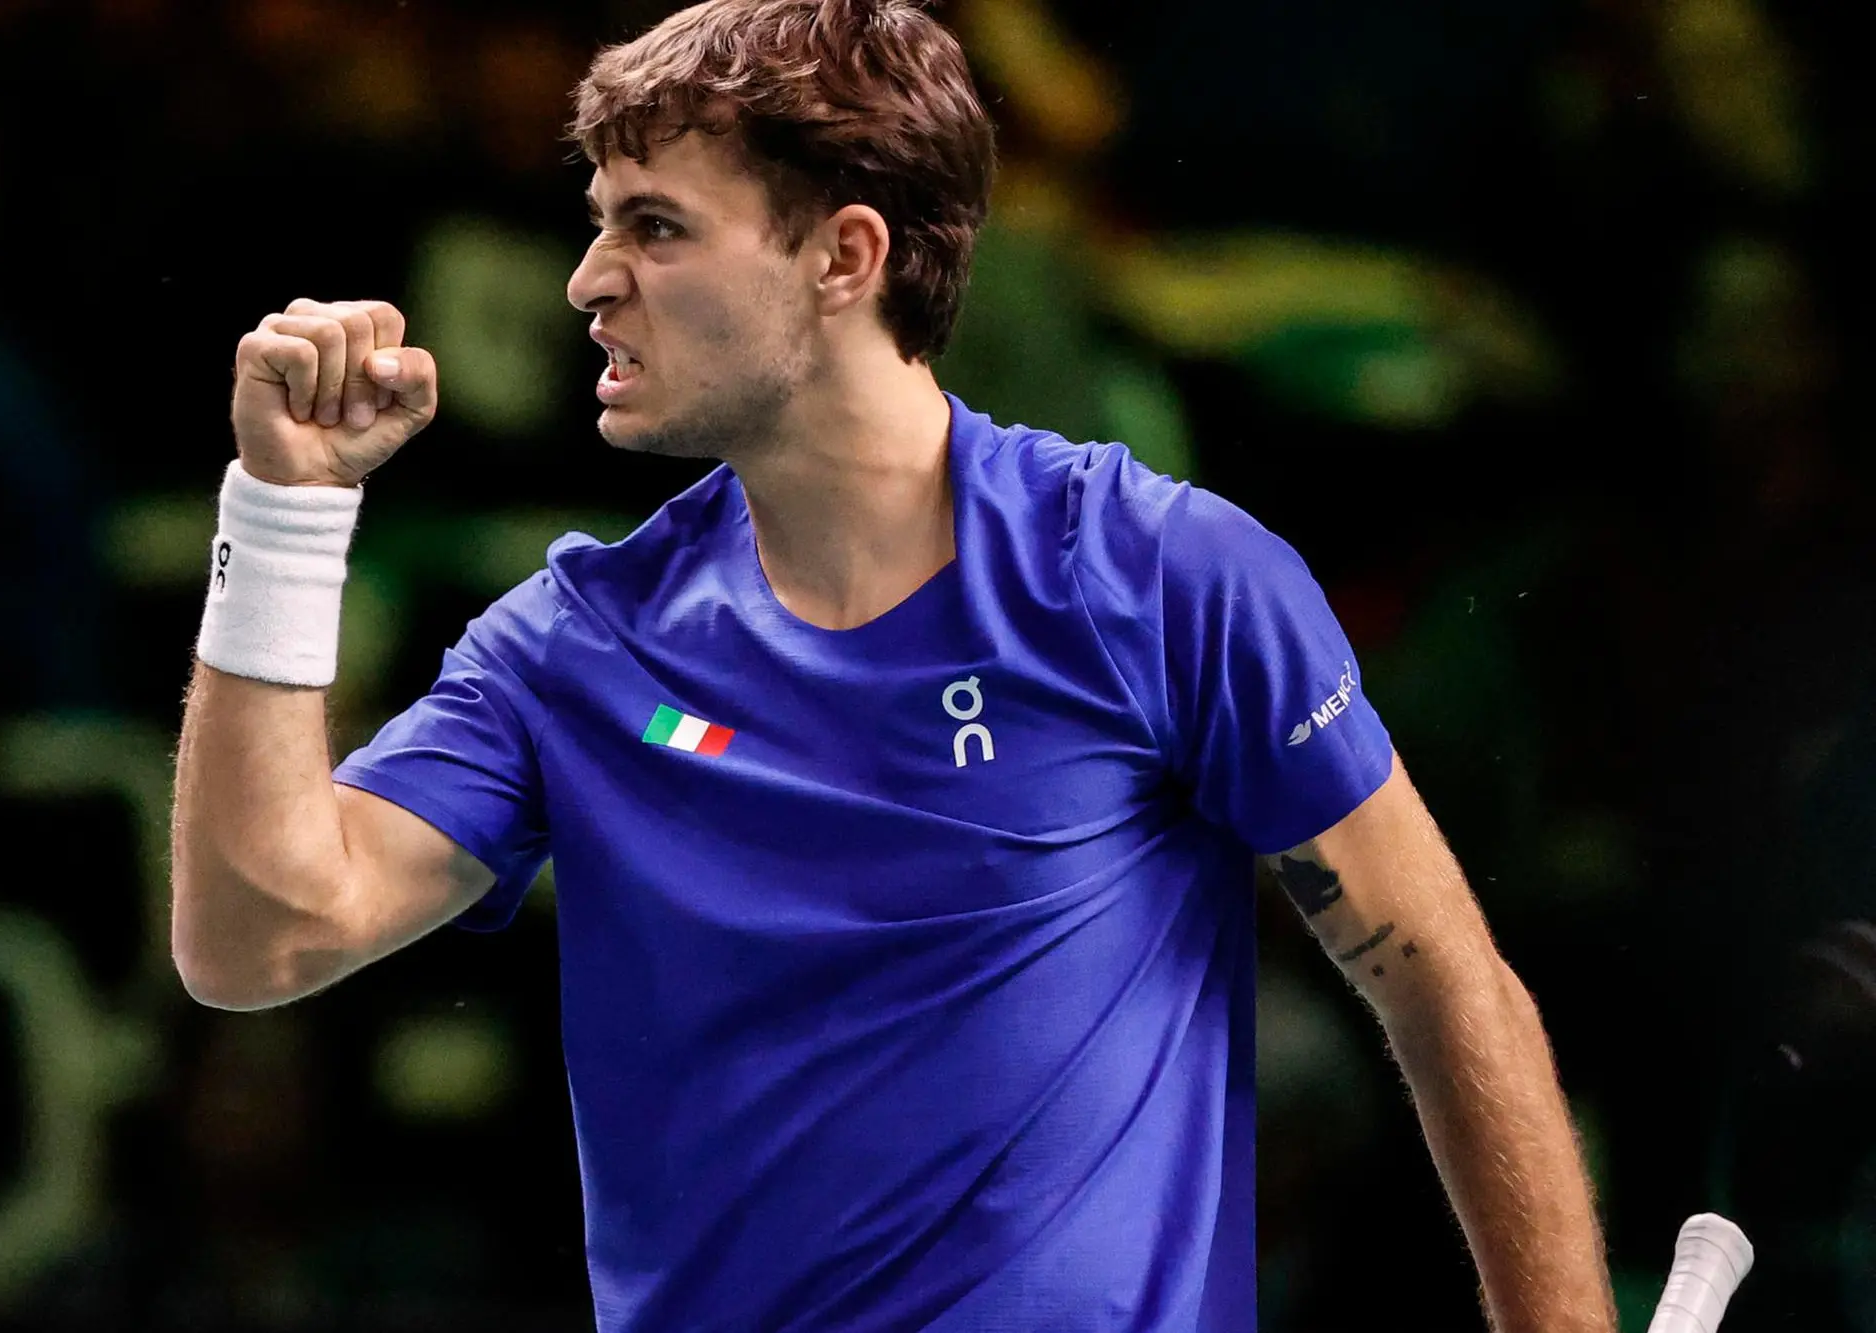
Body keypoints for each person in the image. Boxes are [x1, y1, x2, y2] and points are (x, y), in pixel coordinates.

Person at [168, 1, 1614, 1328]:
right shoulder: (572, 647)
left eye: (656, 228)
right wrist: (285, 515)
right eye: (600, 221)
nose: (590, 281)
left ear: (844, 257)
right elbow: (257, 941)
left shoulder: (1160, 575)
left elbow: (1446, 985)